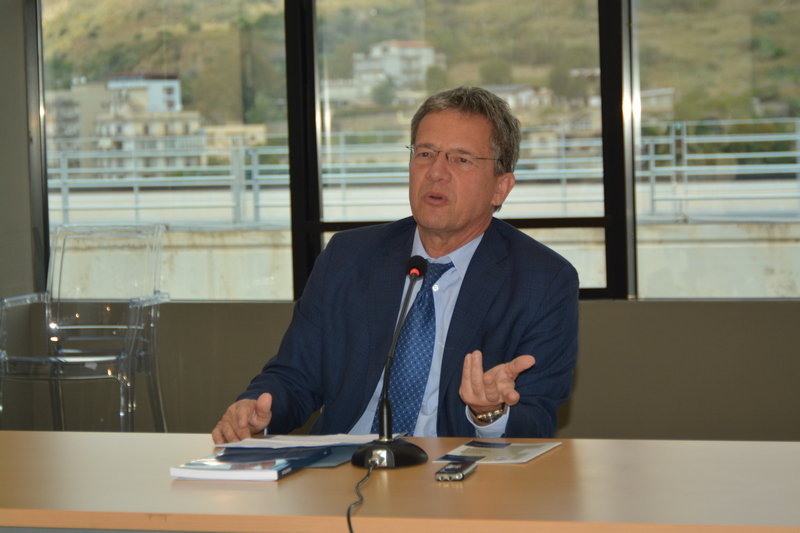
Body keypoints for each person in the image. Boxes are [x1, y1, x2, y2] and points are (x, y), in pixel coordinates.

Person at [212, 86, 579, 444]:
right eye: (425, 153)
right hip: (344, 464)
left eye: (461, 159)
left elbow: (537, 421)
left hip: (456, 473)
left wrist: (489, 413)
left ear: (501, 187)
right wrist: (257, 409)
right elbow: (295, 376)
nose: (436, 172)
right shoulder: (348, 256)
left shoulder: (543, 281)